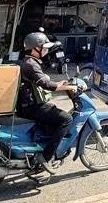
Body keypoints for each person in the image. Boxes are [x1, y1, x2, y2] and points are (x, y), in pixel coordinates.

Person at [16, 31, 77, 173]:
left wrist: (59, 83)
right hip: (32, 106)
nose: (45, 50)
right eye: (43, 47)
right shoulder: (31, 64)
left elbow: (42, 81)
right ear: (35, 48)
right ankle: (45, 157)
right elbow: (46, 84)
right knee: (66, 119)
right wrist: (68, 87)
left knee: (53, 114)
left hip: (27, 104)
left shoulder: (27, 61)